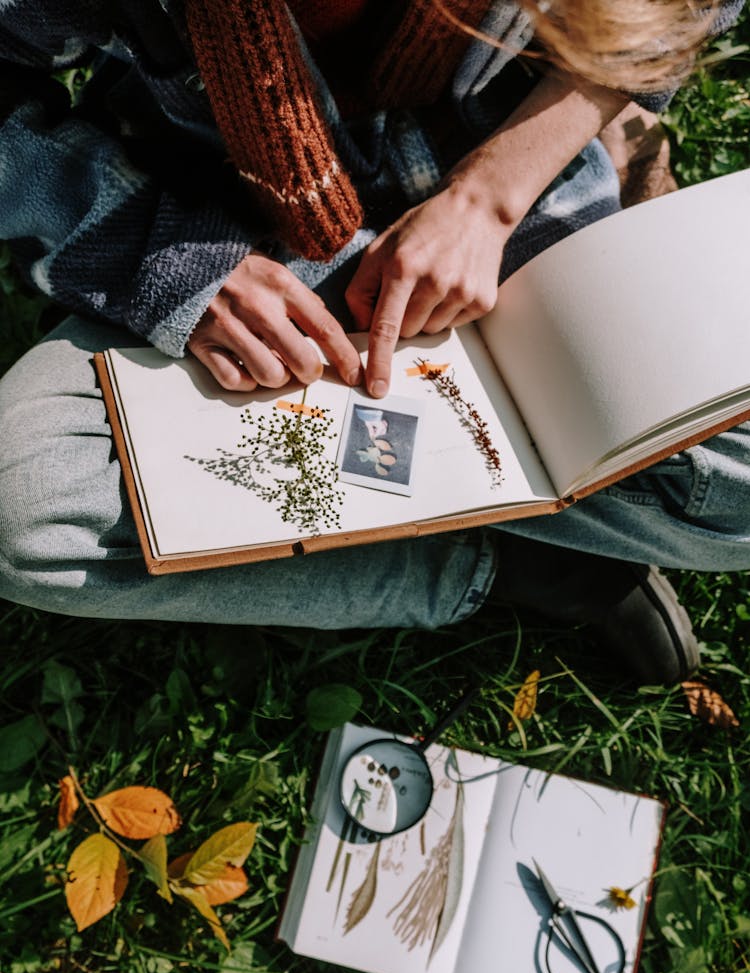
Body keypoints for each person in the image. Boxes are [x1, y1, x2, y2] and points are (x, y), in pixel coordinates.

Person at [0, 0, 746, 685]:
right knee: (26, 498)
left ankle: (485, 505)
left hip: (515, 200)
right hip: (227, 222)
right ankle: (512, 559)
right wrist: (168, 261)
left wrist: (495, 190)